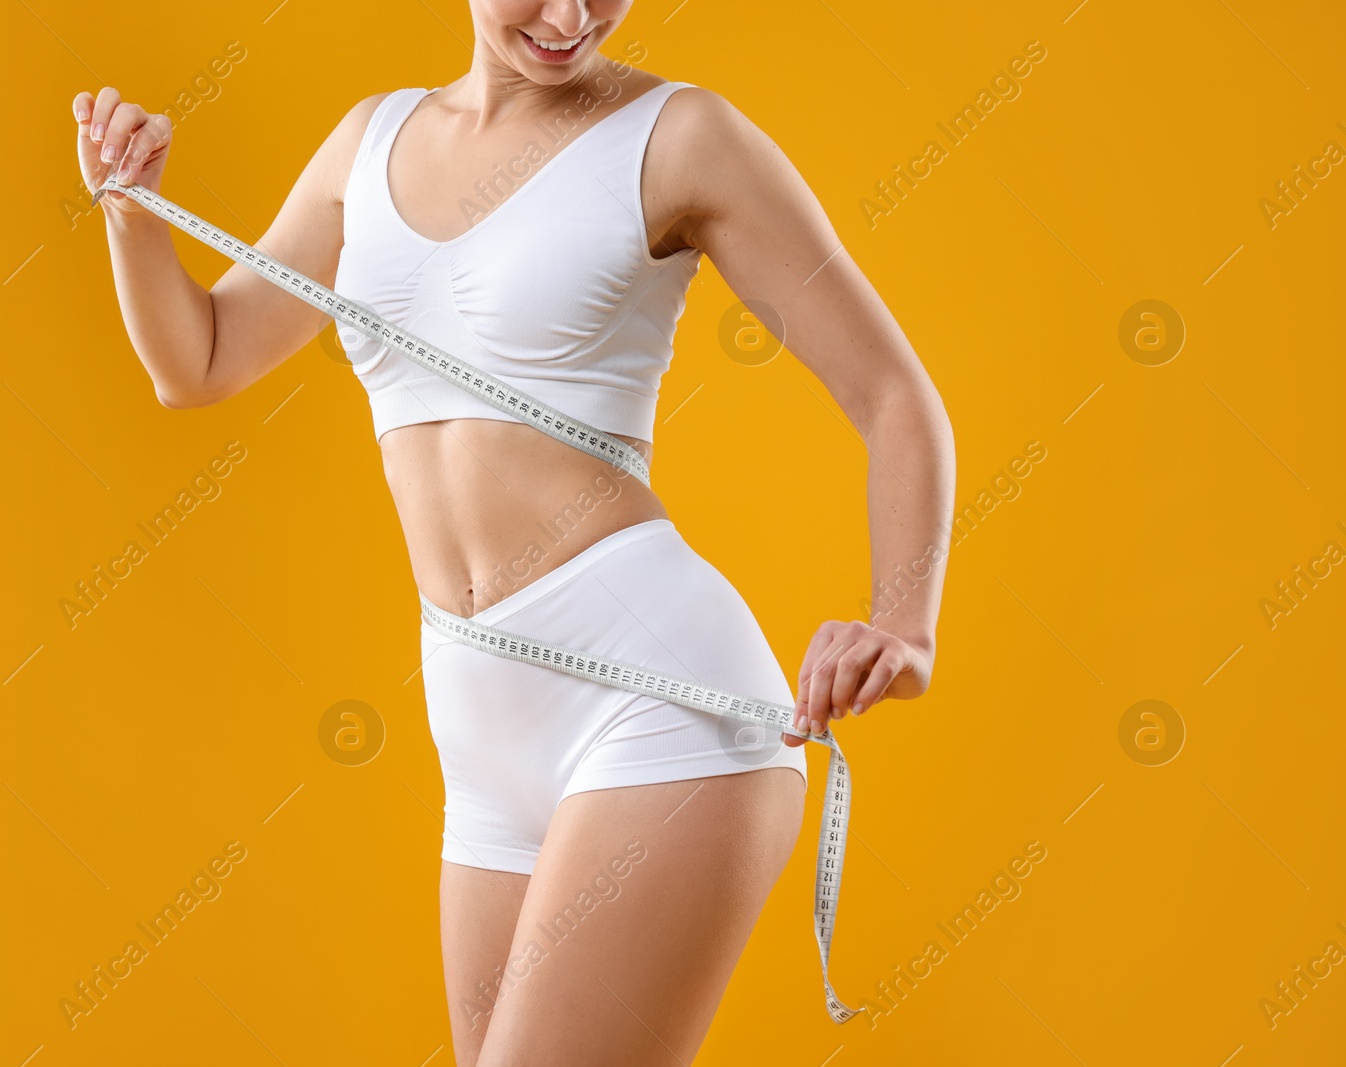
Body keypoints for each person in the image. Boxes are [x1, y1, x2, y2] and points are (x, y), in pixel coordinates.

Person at [73, 1, 953, 1062]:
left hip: (654, 697)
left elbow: (896, 397)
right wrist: (131, 212)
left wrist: (904, 625)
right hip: (481, 728)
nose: (572, 15)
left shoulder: (678, 137)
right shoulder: (371, 140)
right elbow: (199, 360)